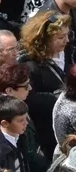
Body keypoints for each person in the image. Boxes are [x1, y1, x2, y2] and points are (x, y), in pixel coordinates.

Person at [19, 11, 70, 159]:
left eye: (67, 35)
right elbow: (30, 98)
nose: (66, 40)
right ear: (44, 39)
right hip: (48, 128)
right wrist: (60, 97)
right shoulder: (30, 64)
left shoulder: (70, 53)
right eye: (60, 37)